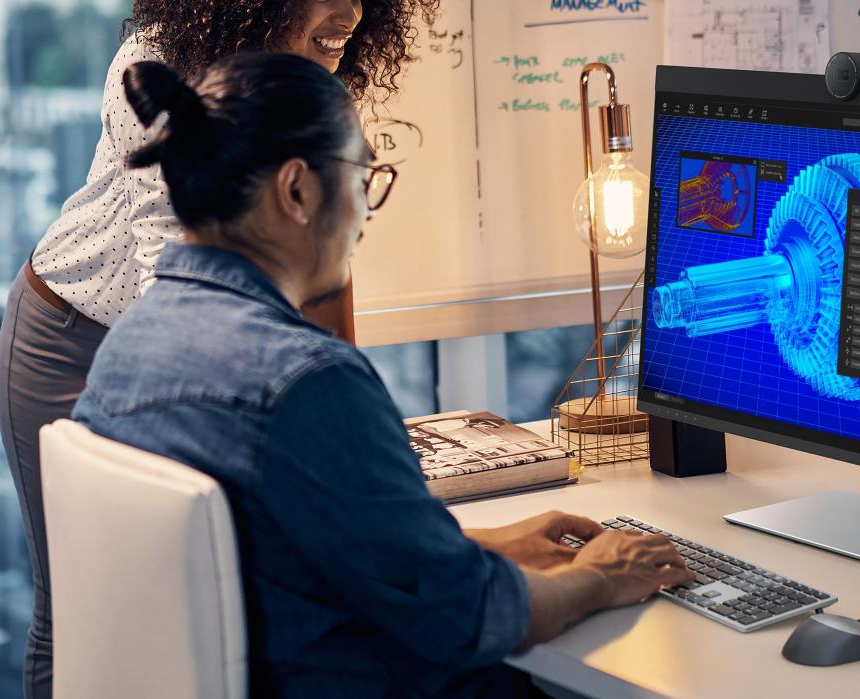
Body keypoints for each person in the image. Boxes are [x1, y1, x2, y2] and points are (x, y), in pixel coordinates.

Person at [71, 53, 693, 698]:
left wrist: (482, 548)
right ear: (298, 190)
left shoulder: (131, 344)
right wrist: (601, 575)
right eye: (365, 175)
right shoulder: (305, 382)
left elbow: (285, 550)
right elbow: (464, 619)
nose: (368, 210)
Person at [0, 2, 436, 696]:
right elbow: (164, 263)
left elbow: (311, 246)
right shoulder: (159, 61)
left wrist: (339, 406)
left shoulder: (305, 76)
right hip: (71, 335)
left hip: (175, 343)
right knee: (77, 603)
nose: (350, 8)